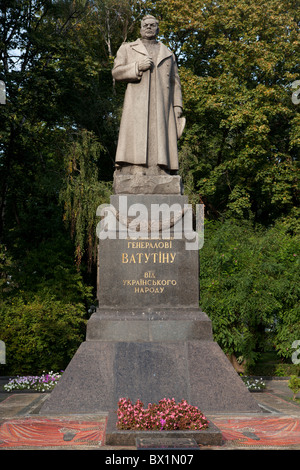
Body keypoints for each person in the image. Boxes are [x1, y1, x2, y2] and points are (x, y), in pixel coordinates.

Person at [112, 15, 184, 175]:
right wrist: (137, 67)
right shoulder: (128, 48)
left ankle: (160, 169)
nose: (149, 27)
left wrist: (177, 105)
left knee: (161, 135)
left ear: (157, 29)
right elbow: (116, 73)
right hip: (137, 102)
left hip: (162, 103)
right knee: (136, 134)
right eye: (146, 25)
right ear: (140, 28)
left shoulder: (168, 53)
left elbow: (175, 82)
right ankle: (136, 168)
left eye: (152, 25)